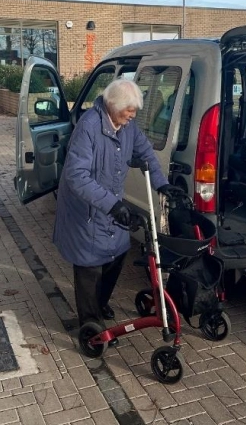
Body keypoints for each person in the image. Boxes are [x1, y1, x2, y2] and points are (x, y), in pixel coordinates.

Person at [52, 79, 182, 330]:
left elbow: (145, 153)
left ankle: (100, 303)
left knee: (116, 256)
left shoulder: (128, 127)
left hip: (111, 207)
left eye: (135, 110)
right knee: (90, 267)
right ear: (112, 105)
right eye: (129, 109)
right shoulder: (89, 127)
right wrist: (113, 205)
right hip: (87, 210)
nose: (133, 114)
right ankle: (90, 323)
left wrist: (162, 184)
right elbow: (77, 176)